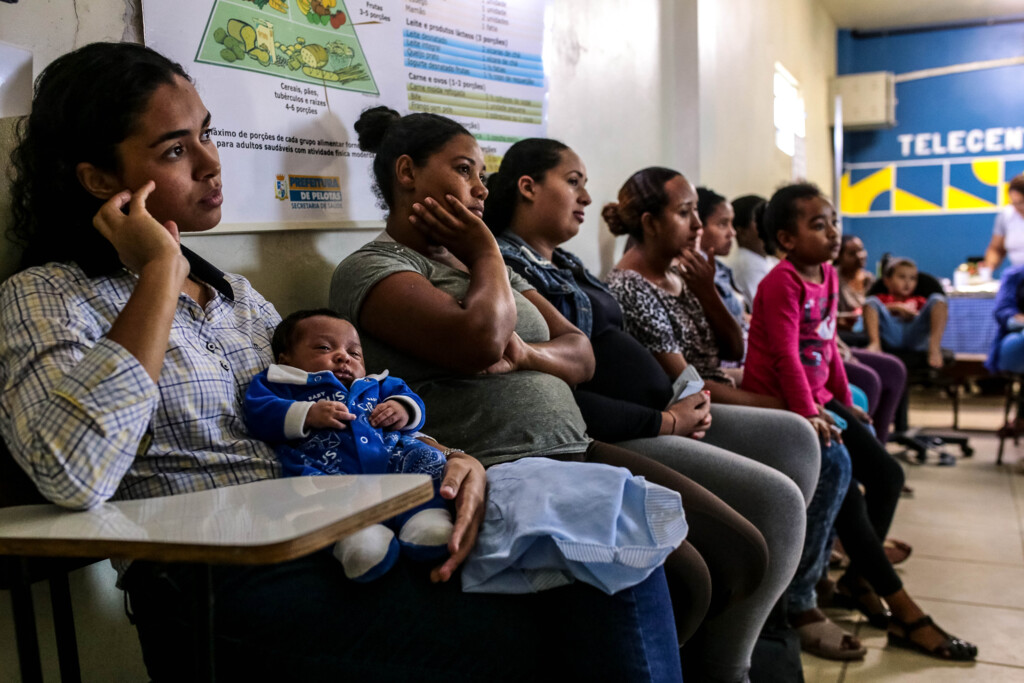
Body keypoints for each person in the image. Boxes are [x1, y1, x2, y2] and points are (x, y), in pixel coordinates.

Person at [0, 42, 684, 681]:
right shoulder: (47, 296)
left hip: (350, 533)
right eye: (177, 150)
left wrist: (448, 454)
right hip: (227, 587)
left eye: (207, 133)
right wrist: (156, 271)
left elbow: (344, 406)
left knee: (616, 545)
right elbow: (70, 470)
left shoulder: (237, 299)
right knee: (589, 598)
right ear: (98, 178)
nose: (211, 163)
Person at [329, 107, 775, 679]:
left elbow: (581, 355)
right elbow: (479, 341)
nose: (478, 188)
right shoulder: (373, 267)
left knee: (742, 552)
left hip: (572, 441)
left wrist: (529, 354)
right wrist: (488, 251)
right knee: (689, 577)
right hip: (500, 457)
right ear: (408, 173)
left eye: (482, 176)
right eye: (465, 170)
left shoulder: (486, 270)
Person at [484, 138, 818, 682]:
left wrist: (682, 402)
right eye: (573, 181)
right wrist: (667, 420)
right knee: (776, 501)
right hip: (624, 425)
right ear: (527, 187)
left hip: (665, 407)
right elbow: (558, 382)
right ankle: (730, 666)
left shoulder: (565, 264)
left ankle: (762, 622)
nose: (587, 197)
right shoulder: (504, 271)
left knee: (795, 439)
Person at [743, 182, 976, 663]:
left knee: (888, 474)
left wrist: (846, 398)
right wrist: (807, 410)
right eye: (818, 224)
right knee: (841, 474)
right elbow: (787, 355)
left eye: (834, 223)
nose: (832, 233)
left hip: (823, 396)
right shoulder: (780, 283)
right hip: (782, 399)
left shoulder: (828, 275)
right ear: (786, 239)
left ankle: (854, 578)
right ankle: (810, 595)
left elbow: (826, 345)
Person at [244, 309, 454, 581]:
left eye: (354, 353)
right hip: (330, 470)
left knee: (420, 460)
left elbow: (412, 402)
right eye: (324, 347)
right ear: (286, 360)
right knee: (308, 492)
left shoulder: (376, 384)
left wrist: (401, 409)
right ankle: (353, 538)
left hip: (391, 462)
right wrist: (307, 413)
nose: (344, 356)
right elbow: (258, 412)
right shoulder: (282, 382)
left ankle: (425, 515)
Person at [863, 257, 949, 369]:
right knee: (870, 302)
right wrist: (896, 307)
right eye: (901, 277)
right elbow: (867, 312)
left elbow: (928, 315)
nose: (907, 282)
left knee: (938, 300)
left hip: (915, 336)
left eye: (912, 278)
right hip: (890, 336)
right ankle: (875, 344)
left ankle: (934, 347)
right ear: (887, 281)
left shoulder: (919, 300)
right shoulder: (882, 299)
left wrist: (914, 315)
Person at [696, 187, 746, 332]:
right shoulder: (694, 274)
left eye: (731, 223)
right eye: (723, 224)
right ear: (699, 226)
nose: (732, 233)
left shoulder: (722, 269)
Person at [718, 194, 777, 305]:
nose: (769, 227)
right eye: (761, 222)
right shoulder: (747, 266)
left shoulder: (769, 261)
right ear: (741, 232)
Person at [983, 173, 1024, 270]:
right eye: (1014, 203)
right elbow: (996, 249)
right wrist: (989, 266)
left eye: (1021, 202)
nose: (1017, 208)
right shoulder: (1006, 215)